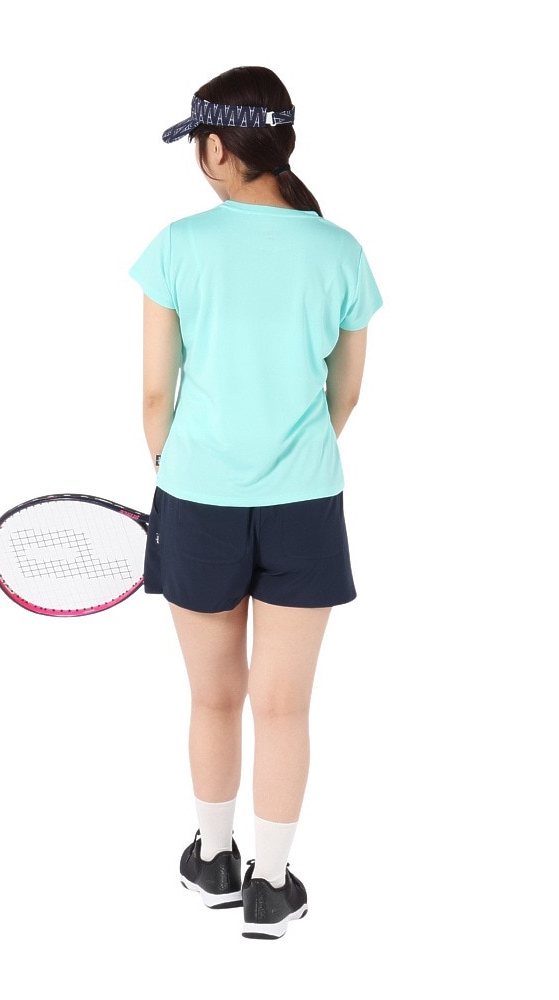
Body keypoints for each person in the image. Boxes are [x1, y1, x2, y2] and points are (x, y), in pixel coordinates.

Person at [128, 66, 382, 940]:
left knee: (213, 697)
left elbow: (155, 395)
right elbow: (347, 392)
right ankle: (271, 885)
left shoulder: (178, 246)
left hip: (197, 498)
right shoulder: (340, 250)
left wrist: (178, 473)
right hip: (306, 502)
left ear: (214, 147)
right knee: (283, 704)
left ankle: (214, 861)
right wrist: (292, 461)